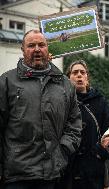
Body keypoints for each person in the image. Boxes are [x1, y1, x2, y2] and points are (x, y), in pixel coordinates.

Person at [0, 29, 82, 189]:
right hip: (16, 176)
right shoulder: (6, 82)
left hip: (51, 174)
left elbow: (74, 125)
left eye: (41, 45)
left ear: (48, 48)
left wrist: (62, 150)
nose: (37, 49)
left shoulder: (65, 85)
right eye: (31, 45)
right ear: (23, 50)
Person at [61, 60, 109, 189]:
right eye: (75, 72)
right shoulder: (62, 101)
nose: (79, 75)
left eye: (82, 72)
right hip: (68, 169)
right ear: (68, 78)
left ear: (87, 77)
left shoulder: (100, 101)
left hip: (94, 170)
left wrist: (101, 152)